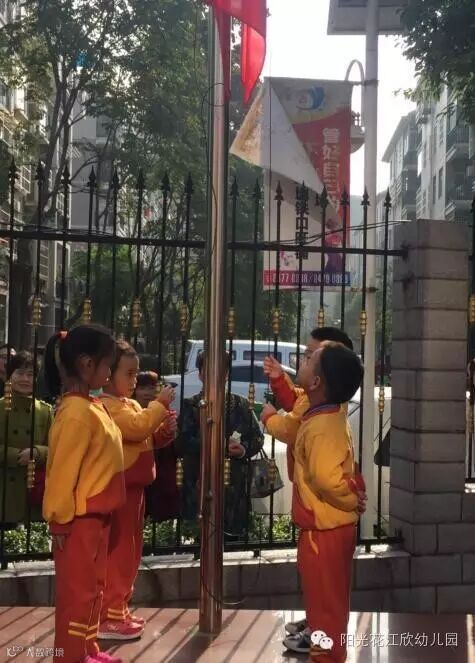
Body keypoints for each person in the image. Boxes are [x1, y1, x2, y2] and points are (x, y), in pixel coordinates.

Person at [261, 327, 366, 653]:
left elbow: (325, 477)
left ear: (319, 380)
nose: (301, 362)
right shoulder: (324, 410)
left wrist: (351, 496)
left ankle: (327, 653)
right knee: (324, 597)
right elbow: (297, 402)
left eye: (309, 358)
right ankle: (323, 643)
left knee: (326, 601)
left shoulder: (320, 425)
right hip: (325, 525)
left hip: (325, 528)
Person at [42, 325, 126, 663]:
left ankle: (87, 650)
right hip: (77, 522)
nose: (109, 372)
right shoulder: (76, 413)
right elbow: (61, 473)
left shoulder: (91, 406)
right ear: (86, 364)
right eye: (107, 364)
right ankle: (69, 656)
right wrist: (58, 521)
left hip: (96, 517)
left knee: (93, 589)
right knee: (76, 595)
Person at [98, 342, 176, 640]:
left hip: (135, 490)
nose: (134, 381)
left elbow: (148, 435)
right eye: (128, 374)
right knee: (119, 553)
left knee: (131, 552)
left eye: (136, 373)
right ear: (108, 374)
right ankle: (109, 614)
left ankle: (119, 607)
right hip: (121, 490)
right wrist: (160, 406)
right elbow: (136, 428)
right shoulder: (109, 406)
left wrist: (164, 431)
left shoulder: (127, 405)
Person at [176, 351, 264, 539]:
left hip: (233, 481)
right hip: (198, 478)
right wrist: (217, 446)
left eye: (220, 370)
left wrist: (243, 449)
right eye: (208, 370)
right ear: (200, 374)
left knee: (233, 535)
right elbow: (182, 441)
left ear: (227, 374)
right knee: (199, 534)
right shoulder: (191, 405)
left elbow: (257, 437)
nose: (214, 375)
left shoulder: (240, 404)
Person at [0, 351, 52, 525]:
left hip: (34, 490)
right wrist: (14, 455)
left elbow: (56, 448)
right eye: (20, 373)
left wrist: (37, 452)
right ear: (10, 376)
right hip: (5, 490)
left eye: (30, 374)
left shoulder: (45, 411)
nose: (25, 379)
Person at [137, 372, 180, 523]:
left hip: (162, 471)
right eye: (142, 388)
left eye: (152, 388)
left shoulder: (164, 412)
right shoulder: (130, 413)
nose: (147, 393)